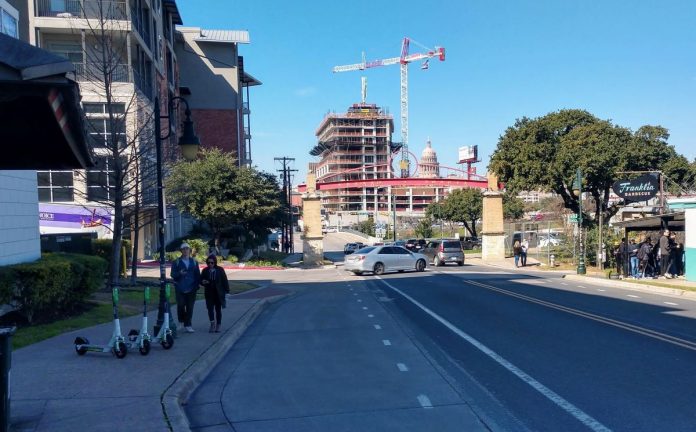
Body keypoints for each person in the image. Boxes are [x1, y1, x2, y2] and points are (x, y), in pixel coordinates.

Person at [170, 243, 201, 332]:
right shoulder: (176, 262)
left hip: (192, 287)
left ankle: (188, 324)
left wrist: (198, 284)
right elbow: (172, 274)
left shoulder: (194, 262)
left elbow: (197, 274)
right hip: (180, 287)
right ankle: (181, 321)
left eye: (187, 248)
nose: (185, 250)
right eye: (183, 249)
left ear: (189, 250)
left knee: (190, 307)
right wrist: (180, 274)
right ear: (181, 251)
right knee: (180, 305)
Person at [200, 254, 229, 333]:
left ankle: (218, 325)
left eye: (212, 263)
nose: (210, 264)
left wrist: (227, 291)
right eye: (209, 263)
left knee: (218, 310)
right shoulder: (205, 270)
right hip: (209, 292)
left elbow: (224, 280)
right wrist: (203, 282)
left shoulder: (220, 270)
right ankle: (212, 324)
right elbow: (201, 279)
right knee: (210, 309)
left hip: (218, 292)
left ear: (215, 262)